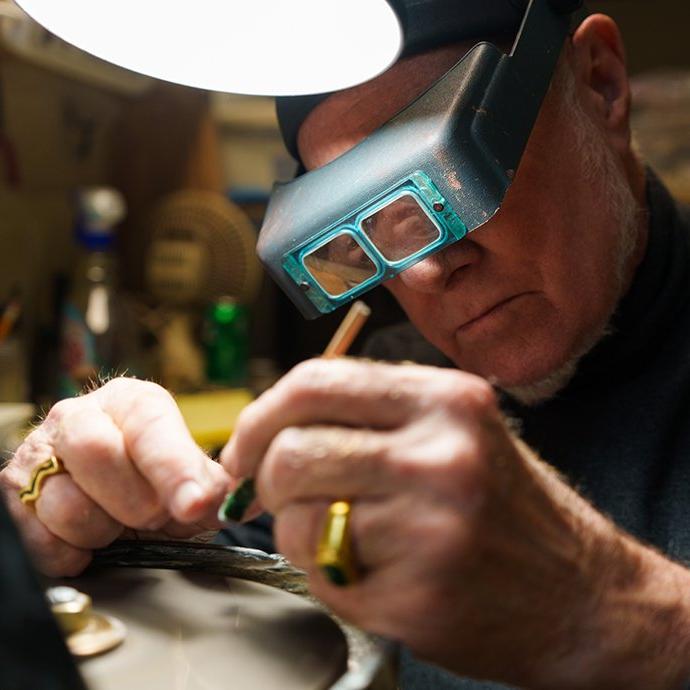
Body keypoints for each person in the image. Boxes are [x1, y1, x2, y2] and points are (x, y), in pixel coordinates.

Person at [3, 4, 690, 689]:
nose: (425, 268)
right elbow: (250, 563)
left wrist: (620, 613)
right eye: (359, 227)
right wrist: (107, 524)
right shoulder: (385, 384)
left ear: (599, 85)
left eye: (459, 172)